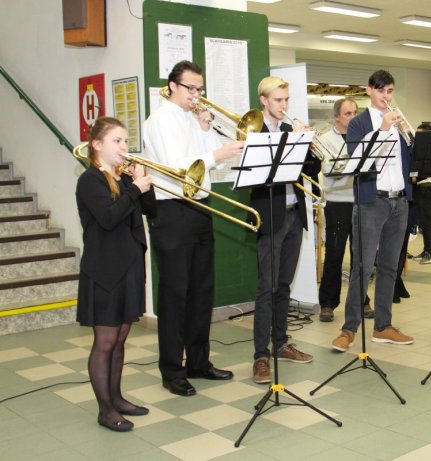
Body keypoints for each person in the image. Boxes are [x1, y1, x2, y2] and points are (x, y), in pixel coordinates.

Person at [143, 60, 243, 397]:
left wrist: (204, 132)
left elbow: (200, 169)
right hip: (171, 209)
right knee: (175, 294)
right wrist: (217, 151)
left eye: (200, 89)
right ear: (172, 86)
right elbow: (176, 169)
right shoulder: (159, 121)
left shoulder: (189, 118)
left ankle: (198, 362)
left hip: (199, 206)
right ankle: (171, 370)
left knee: (202, 290)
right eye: (191, 89)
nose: (196, 96)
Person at [76, 117, 156, 432]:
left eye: (125, 141)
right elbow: (108, 218)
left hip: (129, 265)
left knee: (121, 337)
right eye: (117, 141)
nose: (124, 147)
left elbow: (150, 210)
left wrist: (140, 183)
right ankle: (105, 409)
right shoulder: (90, 180)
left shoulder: (122, 179)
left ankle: (117, 397)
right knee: (105, 341)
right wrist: (134, 189)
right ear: (97, 145)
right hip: (104, 270)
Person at [331, 69, 415, 351]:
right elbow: (358, 158)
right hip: (371, 201)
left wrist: (407, 134)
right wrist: (383, 130)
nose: (386, 97)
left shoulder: (399, 120)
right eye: (381, 92)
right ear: (369, 91)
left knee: (390, 267)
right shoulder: (358, 123)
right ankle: (348, 328)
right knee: (362, 267)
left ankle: (383, 326)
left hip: (399, 200)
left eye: (390, 91)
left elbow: (412, 156)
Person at [249, 76, 320, 384]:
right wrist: (289, 144)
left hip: (295, 214)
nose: (284, 106)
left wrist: (307, 146)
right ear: (264, 101)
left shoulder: (291, 131)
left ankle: (280, 343)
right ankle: (260, 356)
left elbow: (311, 171)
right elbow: (255, 177)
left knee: (284, 286)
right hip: (270, 216)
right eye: (278, 100)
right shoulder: (254, 131)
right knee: (267, 287)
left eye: (286, 100)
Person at [318, 97, 372, 322]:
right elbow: (331, 168)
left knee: (361, 255)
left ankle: (362, 300)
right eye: (348, 113)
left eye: (355, 113)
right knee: (335, 254)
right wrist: (354, 162)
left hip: (361, 200)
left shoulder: (363, 138)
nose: (353, 117)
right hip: (338, 202)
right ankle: (328, 304)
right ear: (337, 116)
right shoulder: (325, 139)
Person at [410, 123, 431, 265]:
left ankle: (430, 252)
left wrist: (415, 176)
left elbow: (424, 170)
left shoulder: (430, 149)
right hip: (420, 188)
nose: (417, 136)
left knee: (426, 222)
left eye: (420, 134)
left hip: (426, 188)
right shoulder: (421, 148)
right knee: (421, 221)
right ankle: (426, 250)